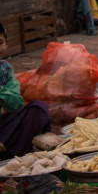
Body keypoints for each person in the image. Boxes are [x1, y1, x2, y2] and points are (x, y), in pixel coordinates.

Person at [0, 21, 50, 158]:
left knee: (37, 109)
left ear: (6, 43)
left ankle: (18, 160)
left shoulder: (5, 69)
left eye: (0, 42)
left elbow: (16, 103)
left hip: (3, 128)